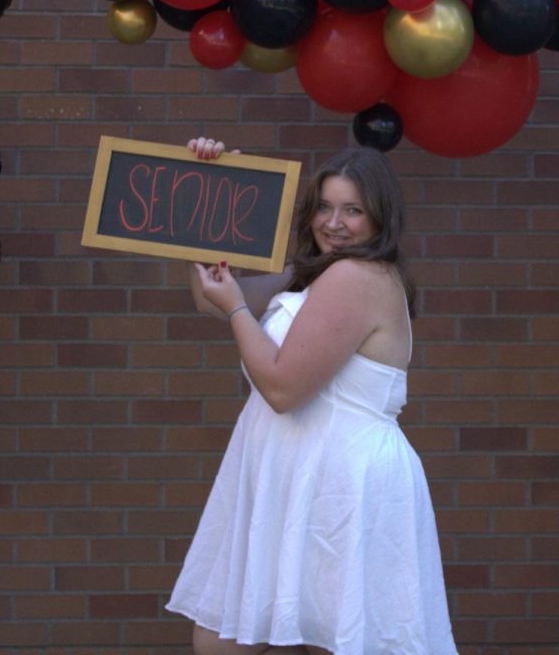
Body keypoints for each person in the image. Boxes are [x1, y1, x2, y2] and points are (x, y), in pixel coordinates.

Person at [166, 138, 458, 655]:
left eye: (353, 210)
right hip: (294, 474)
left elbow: (281, 388)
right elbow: (210, 295)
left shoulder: (356, 276)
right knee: (223, 638)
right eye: (325, 206)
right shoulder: (315, 277)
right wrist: (207, 190)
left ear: (379, 218)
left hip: (338, 483)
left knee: (326, 638)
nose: (334, 223)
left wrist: (237, 310)